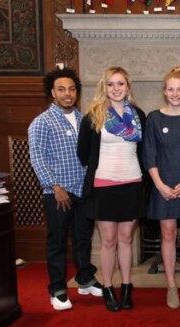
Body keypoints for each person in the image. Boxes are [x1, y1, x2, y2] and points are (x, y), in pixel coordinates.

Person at [28, 67, 102, 311]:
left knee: (83, 238)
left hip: (83, 191)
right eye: (61, 89)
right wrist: (55, 186)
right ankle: (58, 289)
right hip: (58, 193)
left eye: (71, 89)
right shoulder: (42, 122)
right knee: (57, 241)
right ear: (53, 93)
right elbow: (37, 158)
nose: (67, 94)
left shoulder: (84, 120)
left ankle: (85, 279)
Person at [77, 66, 147, 312]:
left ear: (128, 87)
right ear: (104, 88)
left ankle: (127, 287)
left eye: (120, 84)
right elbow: (83, 153)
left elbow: (143, 151)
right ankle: (108, 287)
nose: (116, 89)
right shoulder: (93, 116)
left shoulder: (139, 115)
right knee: (108, 241)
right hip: (103, 185)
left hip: (132, 183)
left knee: (126, 238)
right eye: (111, 84)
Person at [143, 67, 180, 309]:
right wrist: (160, 185)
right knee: (167, 235)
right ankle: (171, 286)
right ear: (164, 92)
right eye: (170, 89)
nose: (175, 93)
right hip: (163, 186)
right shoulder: (154, 118)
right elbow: (149, 154)